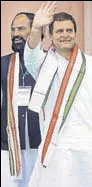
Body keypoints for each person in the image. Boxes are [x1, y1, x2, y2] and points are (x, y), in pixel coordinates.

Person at [24, 2, 92, 187]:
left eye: (69, 30)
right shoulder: (43, 63)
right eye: (59, 31)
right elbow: (31, 53)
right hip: (58, 145)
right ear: (51, 36)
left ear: (75, 34)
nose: (65, 35)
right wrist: (36, 27)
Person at [1, 12, 41, 187]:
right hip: (7, 146)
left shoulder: (48, 62)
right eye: (13, 29)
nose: (15, 33)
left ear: (35, 31)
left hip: (39, 144)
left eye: (21, 28)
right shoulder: (3, 64)